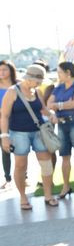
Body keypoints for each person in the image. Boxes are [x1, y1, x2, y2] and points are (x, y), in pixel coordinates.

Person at [0, 64, 58, 209]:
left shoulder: (37, 91)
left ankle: (48, 195)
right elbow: (5, 116)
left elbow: (43, 109)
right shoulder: (12, 92)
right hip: (18, 133)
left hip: (39, 132)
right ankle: (23, 197)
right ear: (28, 78)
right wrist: (5, 136)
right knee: (20, 165)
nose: (38, 84)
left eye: (40, 82)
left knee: (46, 163)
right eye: (37, 81)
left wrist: (51, 115)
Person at [47, 62, 74, 199]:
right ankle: (66, 186)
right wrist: (65, 105)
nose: (58, 75)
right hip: (61, 124)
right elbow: (48, 104)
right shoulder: (58, 88)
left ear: (68, 72)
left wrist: (58, 105)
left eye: (59, 72)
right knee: (64, 157)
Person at [0, 60, 18, 188]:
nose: (1, 72)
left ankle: (24, 176)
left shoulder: (18, 86)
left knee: (19, 149)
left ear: (11, 71)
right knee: (4, 150)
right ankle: (7, 178)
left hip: (16, 121)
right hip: (1, 121)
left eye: (4, 69)